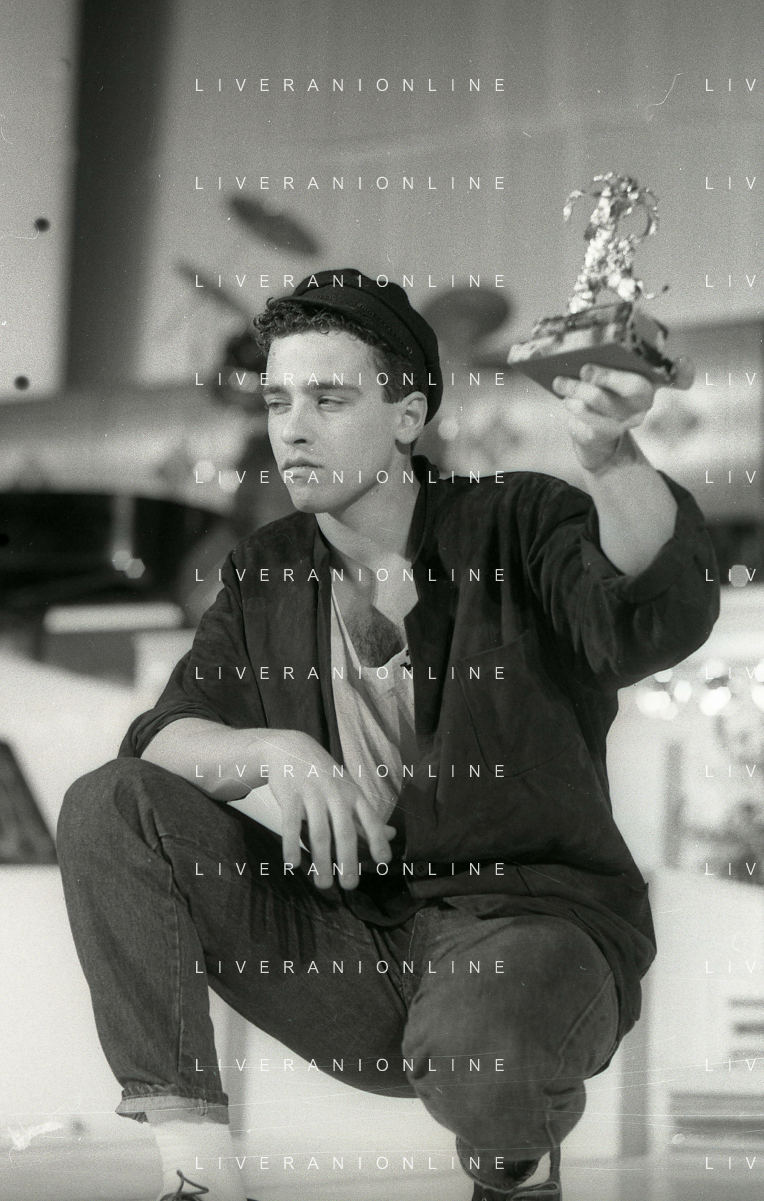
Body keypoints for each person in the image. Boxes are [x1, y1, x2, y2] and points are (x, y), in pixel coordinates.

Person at [58, 269, 720, 1201]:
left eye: (329, 399)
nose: (293, 428)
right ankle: (199, 1175)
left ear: (408, 416)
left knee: (481, 1043)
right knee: (111, 804)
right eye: (279, 401)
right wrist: (273, 751)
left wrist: (610, 458)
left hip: (528, 930)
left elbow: (645, 605)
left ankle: (515, 1167)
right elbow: (161, 735)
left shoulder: (516, 520)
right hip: (352, 943)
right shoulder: (266, 571)